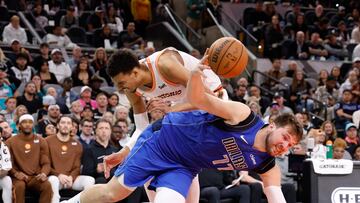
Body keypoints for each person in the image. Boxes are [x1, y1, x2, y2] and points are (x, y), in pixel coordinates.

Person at [64, 55, 303, 203]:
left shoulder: (267, 164)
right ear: (272, 125)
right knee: (112, 194)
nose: (284, 147)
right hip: (162, 141)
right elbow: (148, 124)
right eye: (285, 138)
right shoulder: (243, 116)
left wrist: (183, 94)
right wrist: (128, 150)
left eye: (290, 146)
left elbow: (276, 197)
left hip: (186, 163)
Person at [102, 47, 224, 202]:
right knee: (151, 150)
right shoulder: (131, 87)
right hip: (184, 103)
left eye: (121, 83)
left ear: (135, 73)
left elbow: (209, 99)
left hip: (214, 96)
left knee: (181, 151)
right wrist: (123, 152)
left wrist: (172, 109)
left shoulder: (165, 65)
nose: (119, 89)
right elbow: (142, 128)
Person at [6, 114, 53, 203]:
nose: (27, 124)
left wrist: (44, 173)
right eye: (24, 122)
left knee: (46, 185)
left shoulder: (41, 140)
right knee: (19, 186)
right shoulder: (10, 141)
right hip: (18, 177)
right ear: (19, 125)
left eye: (30, 122)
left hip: (35, 177)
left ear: (33, 125)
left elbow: (46, 163)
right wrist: (15, 174)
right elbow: (8, 163)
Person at [47, 116, 95, 203]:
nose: (65, 125)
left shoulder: (77, 144)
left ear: (72, 127)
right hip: (56, 178)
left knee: (90, 180)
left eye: (68, 123)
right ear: (57, 125)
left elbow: (77, 167)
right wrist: (58, 175)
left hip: (70, 179)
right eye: (63, 123)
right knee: (53, 180)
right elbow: (45, 165)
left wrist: (71, 177)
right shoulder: (47, 141)